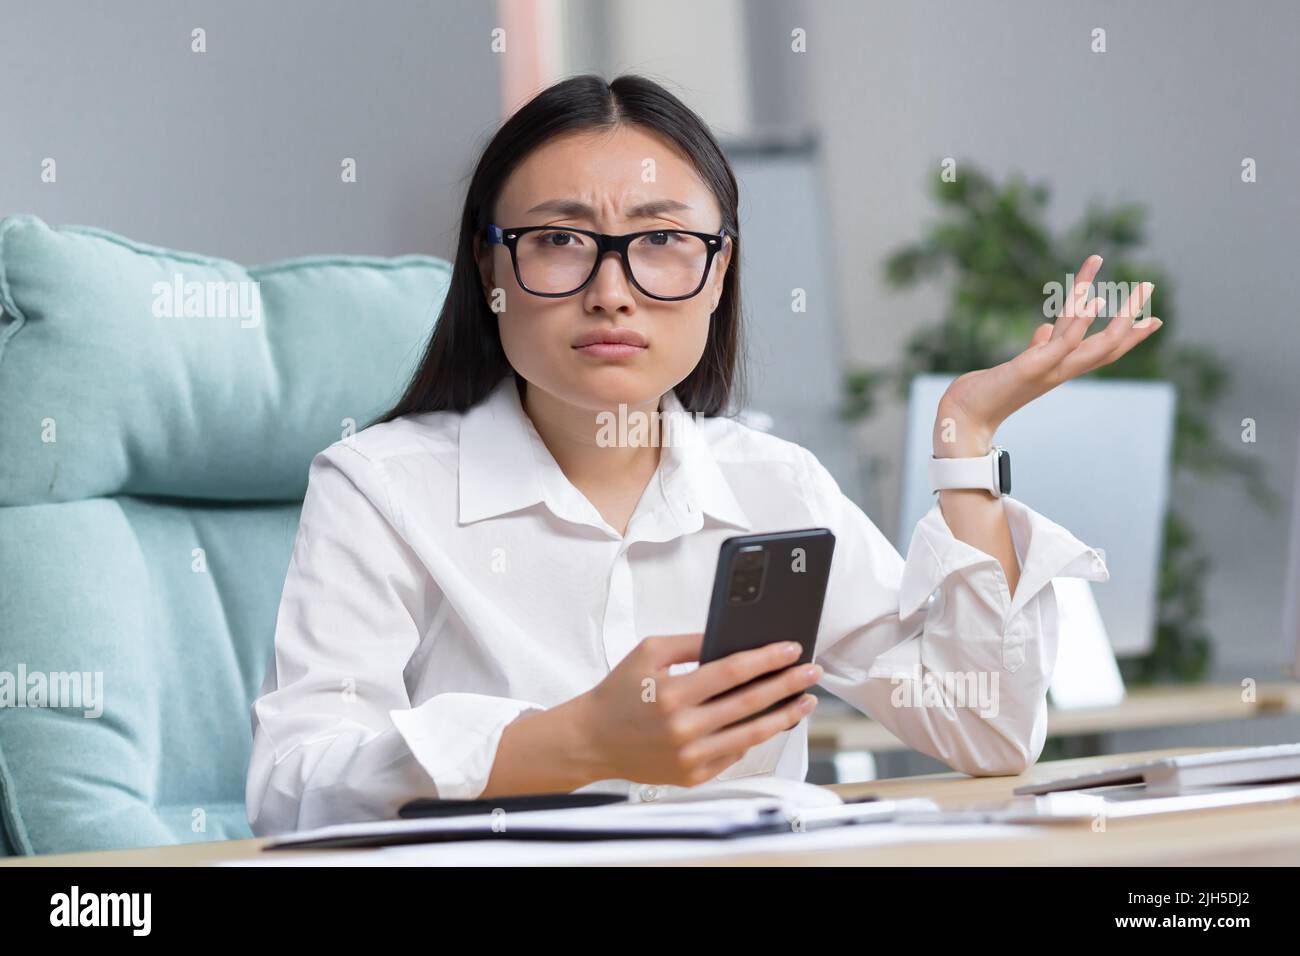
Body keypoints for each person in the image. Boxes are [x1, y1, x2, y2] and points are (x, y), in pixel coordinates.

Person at [246, 74, 1161, 834]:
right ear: (490, 270)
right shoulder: (380, 488)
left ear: (717, 272)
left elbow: (985, 729)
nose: (613, 291)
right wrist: (579, 742)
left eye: (662, 242)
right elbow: (291, 788)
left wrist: (966, 445)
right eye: (560, 240)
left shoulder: (774, 483)